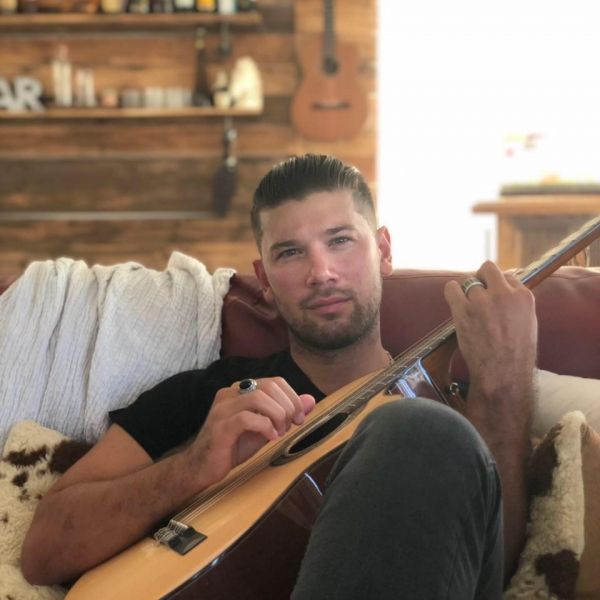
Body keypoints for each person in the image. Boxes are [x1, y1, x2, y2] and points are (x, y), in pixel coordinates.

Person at [21, 154, 537, 599]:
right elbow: (43, 552)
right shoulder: (211, 398)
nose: (321, 272)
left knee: (422, 430)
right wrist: (193, 467)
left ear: (383, 251)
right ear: (264, 279)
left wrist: (505, 386)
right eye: (290, 252)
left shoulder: (453, 409)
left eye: (340, 240)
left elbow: (497, 569)